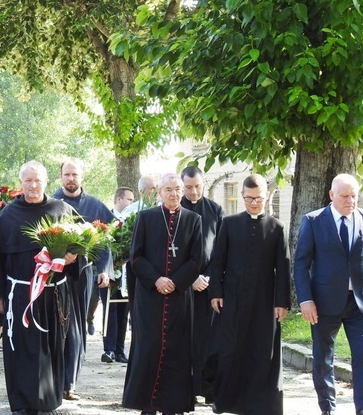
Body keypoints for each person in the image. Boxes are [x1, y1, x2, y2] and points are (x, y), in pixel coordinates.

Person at [0, 160, 79, 414]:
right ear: (21, 183)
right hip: (20, 295)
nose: (33, 185)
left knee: (51, 346)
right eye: (28, 180)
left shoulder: (62, 209)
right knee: (22, 348)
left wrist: (73, 257)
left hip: (54, 295)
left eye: (38, 180)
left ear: (46, 181)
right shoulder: (8, 214)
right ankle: (22, 403)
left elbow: (80, 249)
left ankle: (47, 401)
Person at [294, 173, 363, 415]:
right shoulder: (313, 221)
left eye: (354, 196)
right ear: (332, 195)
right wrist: (305, 300)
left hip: (361, 302)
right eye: (345, 196)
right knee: (323, 358)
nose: (351, 200)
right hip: (323, 303)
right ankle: (328, 408)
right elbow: (301, 264)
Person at [207, 174, 290, 414]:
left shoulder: (276, 227)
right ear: (243, 196)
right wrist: (216, 292)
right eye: (249, 198)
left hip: (265, 302)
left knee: (263, 351)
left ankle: (263, 403)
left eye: (258, 198)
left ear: (266, 196)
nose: (254, 203)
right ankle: (227, 401)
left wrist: (281, 302)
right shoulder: (230, 224)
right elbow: (217, 261)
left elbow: (282, 267)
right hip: (232, 300)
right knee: (231, 350)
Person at [123, 173, 203, 415]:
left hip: (179, 299)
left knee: (177, 352)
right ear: (159, 192)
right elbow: (135, 256)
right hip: (150, 298)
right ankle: (147, 407)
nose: (174, 194)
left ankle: (173, 406)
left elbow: (197, 259)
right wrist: (156, 279)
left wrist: (175, 282)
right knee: (149, 348)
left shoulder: (193, 219)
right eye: (168, 189)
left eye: (178, 189)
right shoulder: (146, 218)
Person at [52, 157, 113, 400]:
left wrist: (104, 269)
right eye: (67, 174)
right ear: (60, 177)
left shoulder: (96, 206)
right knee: (56, 327)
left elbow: (105, 242)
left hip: (83, 276)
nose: (71, 179)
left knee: (77, 327)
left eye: (75, 174)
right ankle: (54, 380)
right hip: (54, 274)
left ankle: (71, 383)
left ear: (82, 177)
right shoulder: (50, 204)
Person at [179, 166, 224, 402]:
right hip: (182, 287)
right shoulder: (175, 210)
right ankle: (185, 390)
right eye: (188, 187)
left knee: (209, 341)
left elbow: (221, 249)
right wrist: (190, 278)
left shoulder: (216, 210)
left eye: (197, 186)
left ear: (204, 183)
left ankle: (207, 390)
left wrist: (206, 276)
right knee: (185, 340)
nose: (193, 192)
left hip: (208, 286)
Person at [100, 187, 135, 364]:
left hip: (126, 273)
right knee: (110, 311)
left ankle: (120, 350)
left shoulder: (131, 221)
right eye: (129, 199)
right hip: (108, 273)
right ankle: (109, 349)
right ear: (119, 200)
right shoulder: (107, 219)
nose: (131, 203)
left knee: (123, 311)